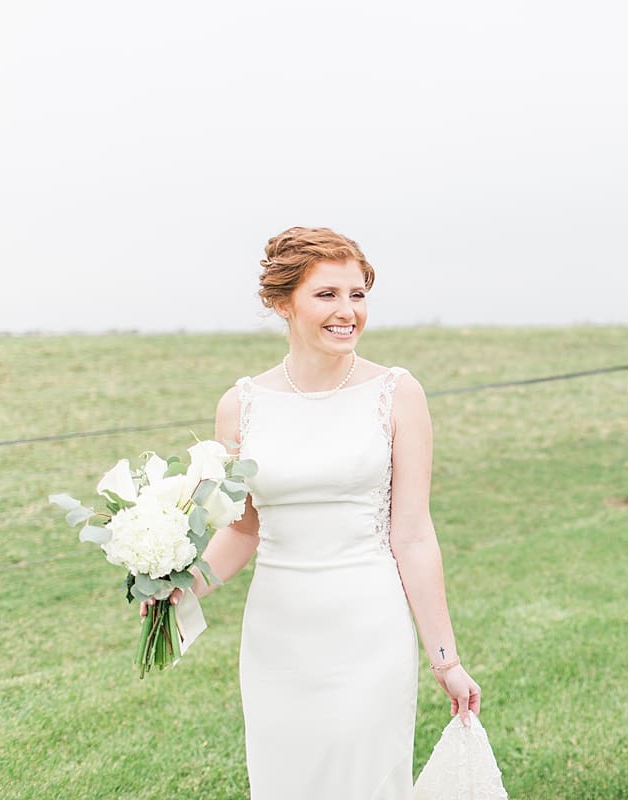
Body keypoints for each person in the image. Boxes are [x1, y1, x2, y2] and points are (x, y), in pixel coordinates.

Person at [145, 226, 481, 798]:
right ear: (282, 303)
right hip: (279, 634)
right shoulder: (242, 405)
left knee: (366, 777)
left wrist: (446, 659)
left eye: (358, 294)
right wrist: (180, 586)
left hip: (369, 627)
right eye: (327, 295)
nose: (347, 311)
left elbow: (414, 536)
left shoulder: (398, 394)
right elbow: (243, 529)